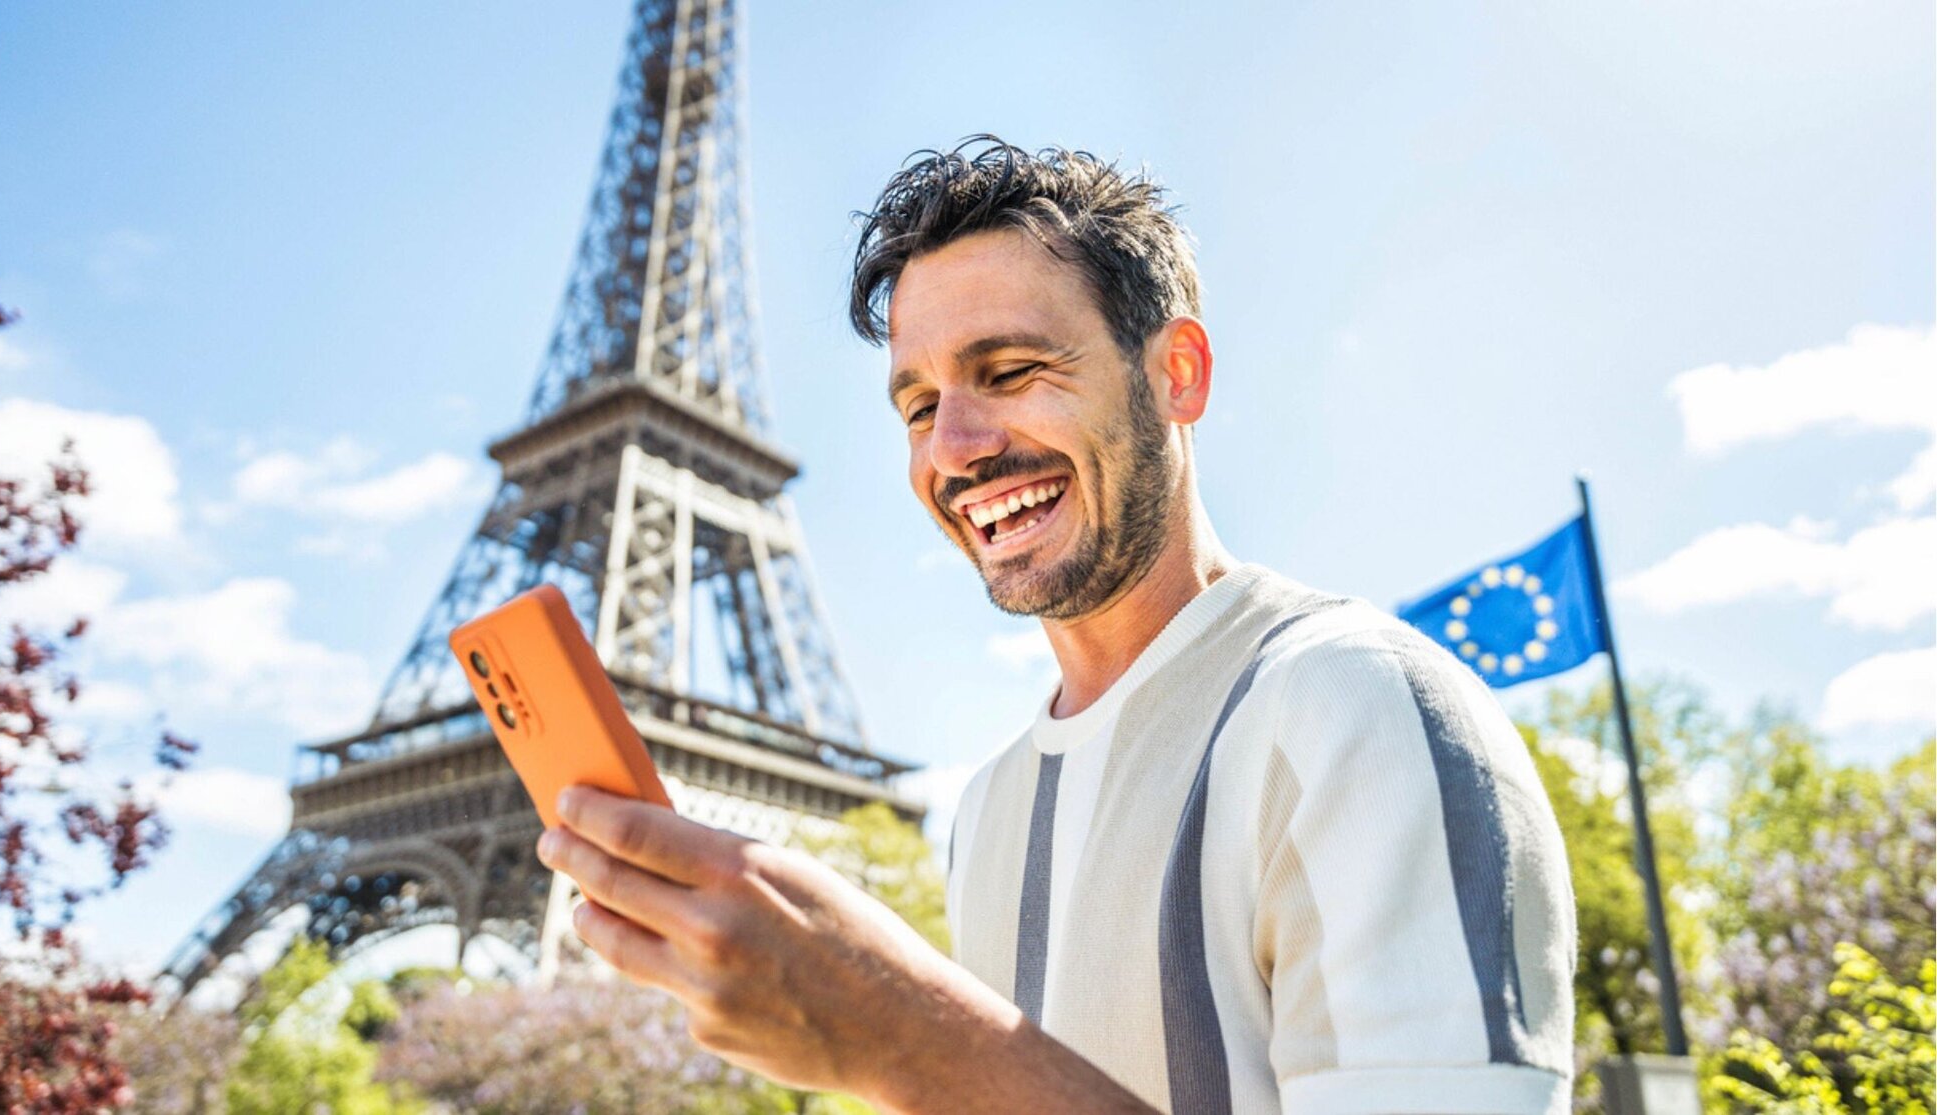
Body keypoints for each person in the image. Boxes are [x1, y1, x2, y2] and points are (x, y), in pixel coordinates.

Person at [536, 137, 1577, 1114]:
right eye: (916, 403)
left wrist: (914, 1040)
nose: (954, 445)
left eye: (1009, 370)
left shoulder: (1357, 705)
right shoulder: (988, 807)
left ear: (1175, 374)